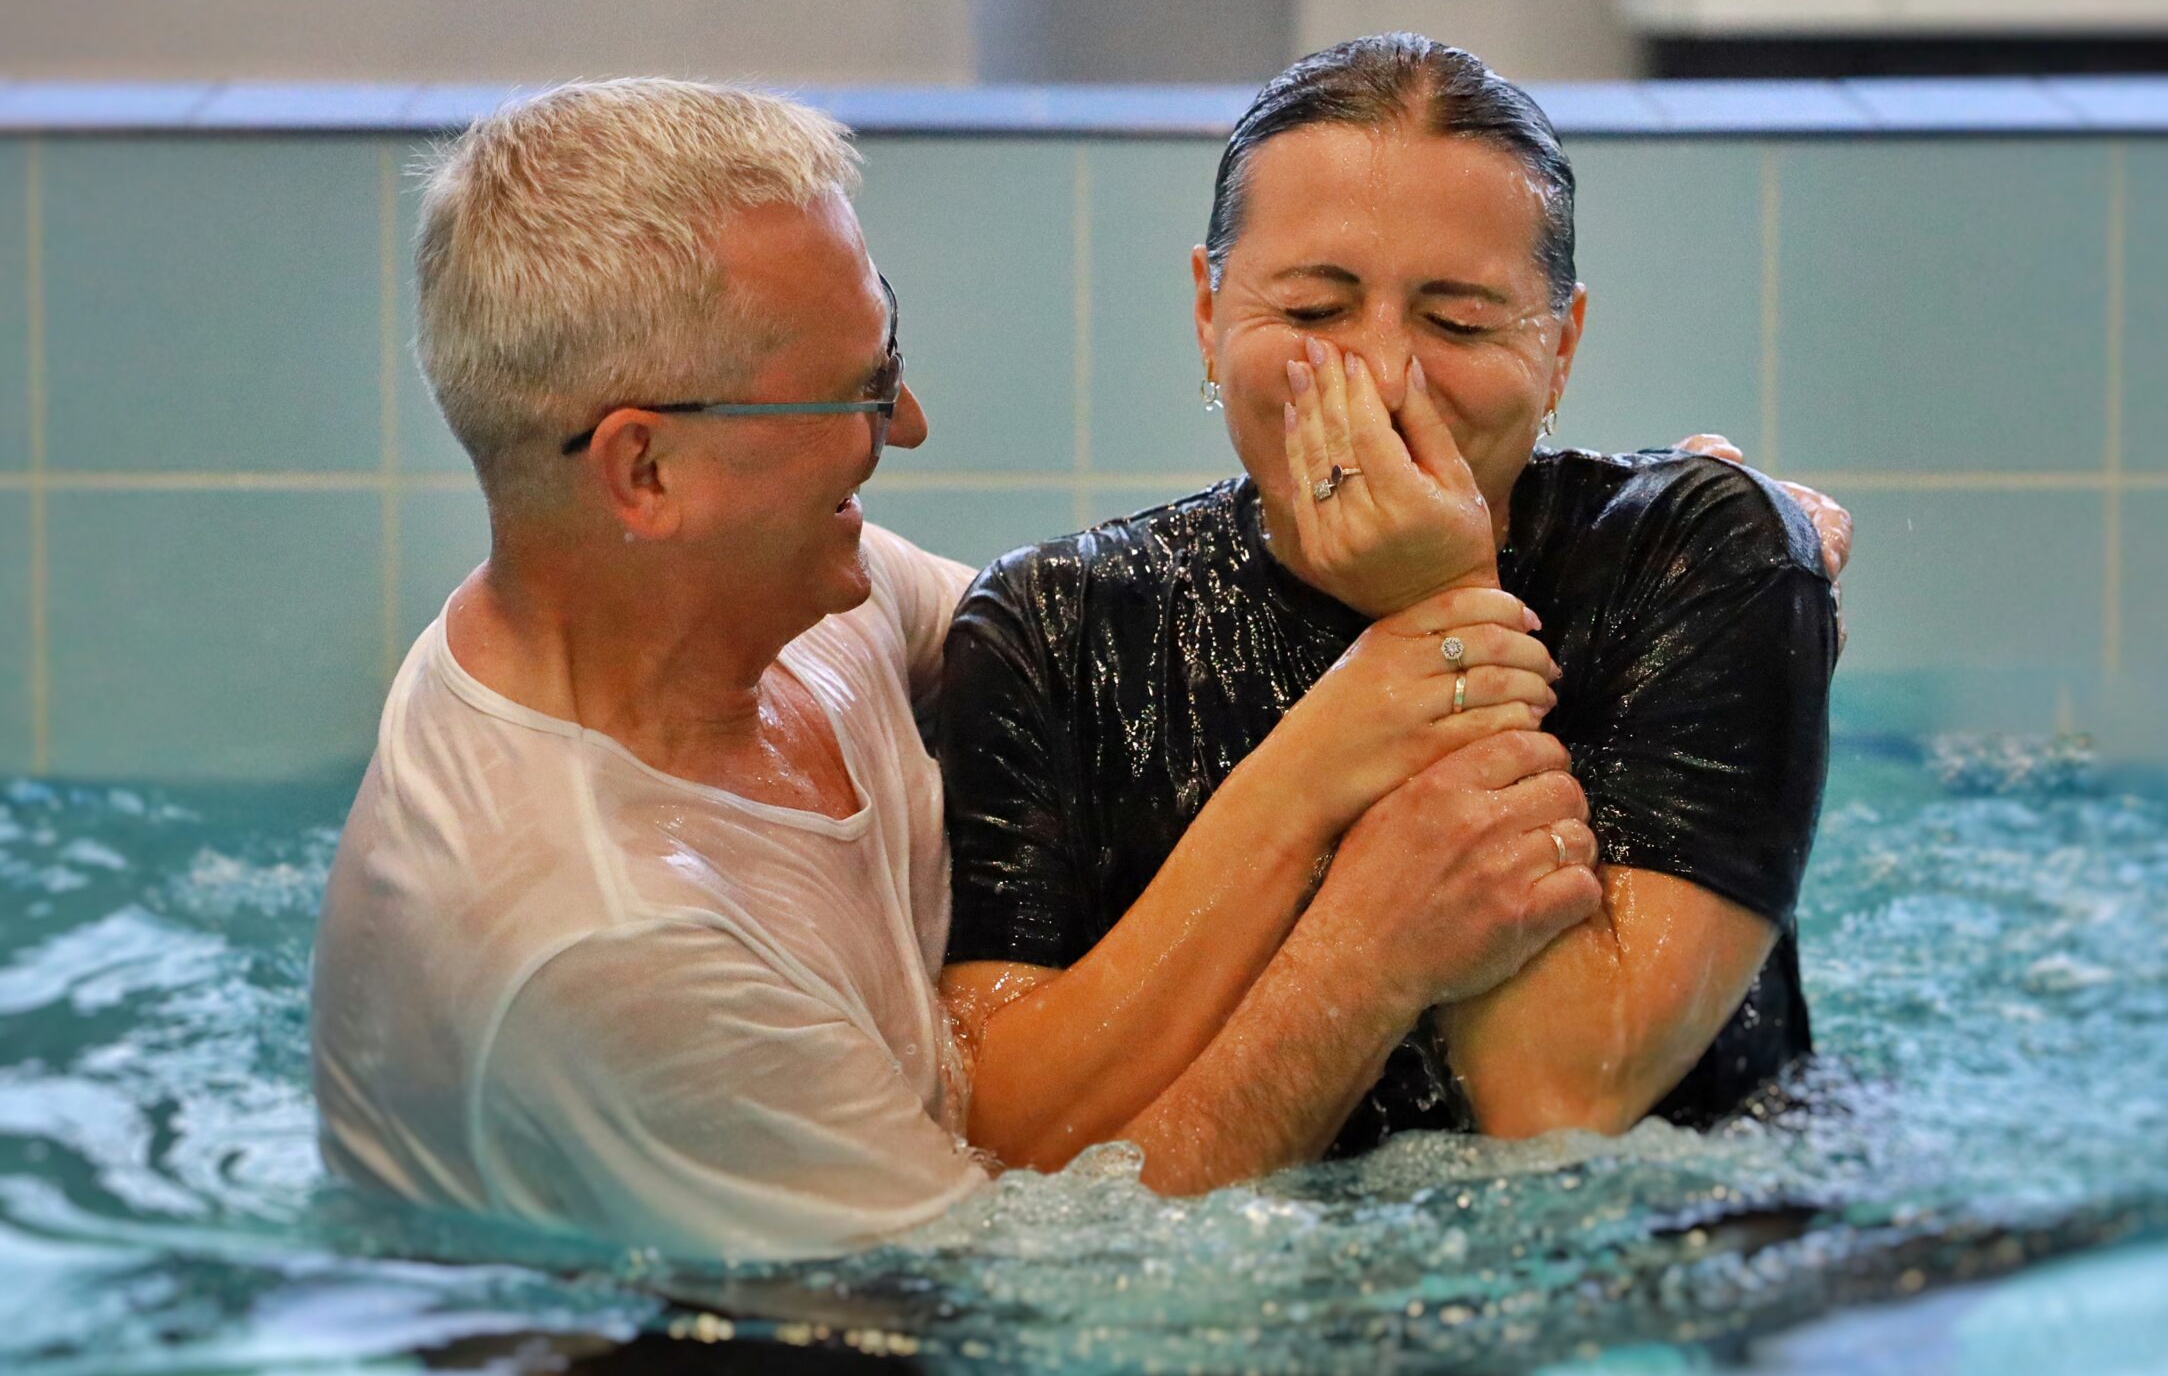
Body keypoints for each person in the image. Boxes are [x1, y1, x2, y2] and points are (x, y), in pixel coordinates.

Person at [309, 76, 1847, 1258]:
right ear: (643, 473)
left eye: (887, 349)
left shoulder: (779, 607)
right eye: (854, 393)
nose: (905, 430)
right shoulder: (608, 940)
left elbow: (1145, 661)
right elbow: (1017, 1301)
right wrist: (1368, 935)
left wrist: (1701, 570)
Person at [940, 35, 1838, 1185]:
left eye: (1458, 324)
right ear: (1210, 309)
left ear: (1558, 349)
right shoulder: (1054, 628)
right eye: (1314, 310)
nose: (1379, 375)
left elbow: (1558, 1106)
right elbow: (1003, 1152)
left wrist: (1440, 599)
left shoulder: (1701, 554)